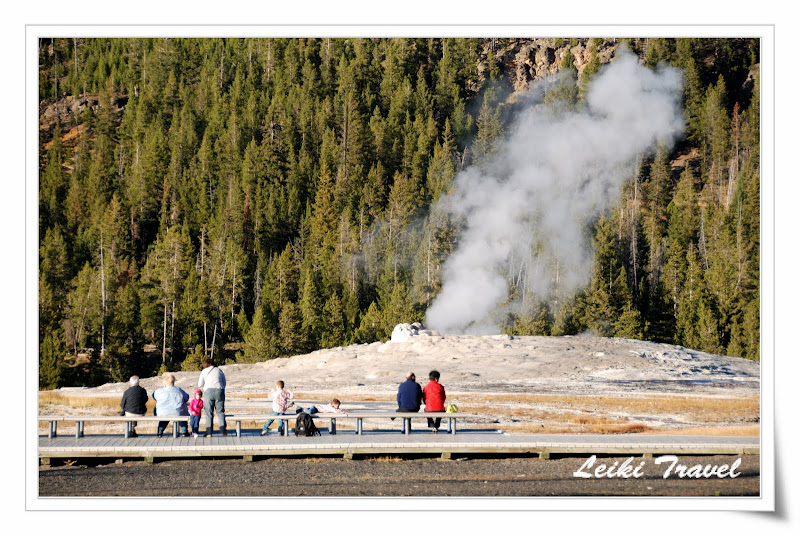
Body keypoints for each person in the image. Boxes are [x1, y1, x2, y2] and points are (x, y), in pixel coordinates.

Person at [152, 373, 190, 437]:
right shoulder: (179, 390)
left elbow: (154, 396)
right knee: (182, 414)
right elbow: (186, 397)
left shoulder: (159, 391)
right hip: (178, 412)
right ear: (173, 381)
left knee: (163, 418)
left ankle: (160, 432)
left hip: (163, 413)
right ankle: (184, 431)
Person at [198, 357, 227, 437]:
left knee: (209, 412)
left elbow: (200, 384)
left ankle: (209, 432)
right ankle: (223, 430)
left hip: (208, 391)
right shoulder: (219, 370)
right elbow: (224, 383)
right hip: (219, 390)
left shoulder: (204, 371)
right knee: (220, 412)